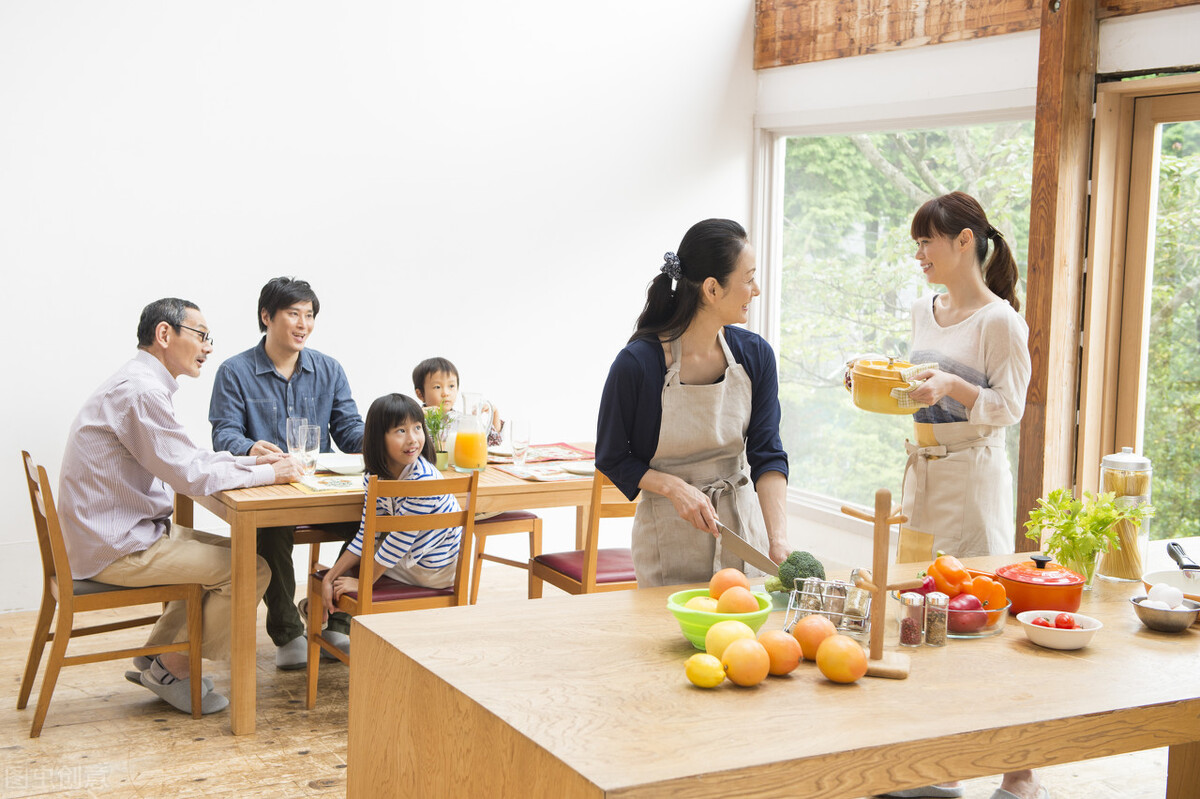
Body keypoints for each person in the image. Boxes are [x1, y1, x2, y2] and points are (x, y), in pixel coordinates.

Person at [57, 298, 299, 715]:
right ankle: (172, 667)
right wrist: (270, 475)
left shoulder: (139, 383)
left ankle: (159, 657)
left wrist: (251, 462)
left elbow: (186, 458)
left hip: (115, 534)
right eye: (201, 336)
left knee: (242, 557)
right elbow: (189, 475)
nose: (208, 347)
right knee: (251, 569)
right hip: (118, 547)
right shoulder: (141, 391)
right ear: (165, 334)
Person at [880, 193, 1042, 799]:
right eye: (916, 243)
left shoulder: (1000, 320)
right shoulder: (928, 309)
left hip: (971, 480)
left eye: (927, 241)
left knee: (976, 619)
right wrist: (888, 383)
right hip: (922, 473)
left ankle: (1020, 772)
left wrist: (953, 386)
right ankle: (936, 765)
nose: (919, 253)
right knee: (920, 615)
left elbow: (1010, 407)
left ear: (965, 241)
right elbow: (925, 387)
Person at [595, 218, 790, 587]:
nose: (757, 289)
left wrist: (778, 541)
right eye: (748, 279)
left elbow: (768, 453)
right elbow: (611, 457)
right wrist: (674, 487)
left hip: (742, 532)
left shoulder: (755, 356)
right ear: (712, 289)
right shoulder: (638, 364)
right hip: (668, 539)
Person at [208, 277, 365, 669]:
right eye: (293, 313)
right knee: (270, 531)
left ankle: (338, 619)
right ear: (267, 316)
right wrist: (248, 447)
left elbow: (349, 430)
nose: (303, 324)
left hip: (323, 488)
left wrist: (386, 437)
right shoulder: (235, 371)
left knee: (379, 520)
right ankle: (288, 632)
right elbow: (224, 432)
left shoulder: (329, 369)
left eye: (309, 315)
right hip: (270, 489)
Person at [320, 393, 464, 616]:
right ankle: (332, 613)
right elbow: (367, 534)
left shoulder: (422, 480)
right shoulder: (375, 477)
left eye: (417, 428)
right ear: (379, 438)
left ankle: (331, 617)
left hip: (434, 569)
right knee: (361, 550)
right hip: (413, 559)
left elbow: (399, 541)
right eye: (401, 431)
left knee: (365, 562)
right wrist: (330, 576)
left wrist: (363, 583)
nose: (413, 439)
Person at [412, 356, 503, 448]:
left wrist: (494, 412)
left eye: (451, 386)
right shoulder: (415, 420)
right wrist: (417, 415)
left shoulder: (461, 421)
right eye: (437, 387)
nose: (446, 393)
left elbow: (493, 441)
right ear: (420, 394)